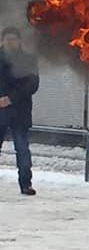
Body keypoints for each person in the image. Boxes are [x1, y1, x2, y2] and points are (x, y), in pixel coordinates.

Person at [0, 27, 40, 196]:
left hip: (19, 112)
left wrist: (10, 99)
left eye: (14, 39)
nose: (11, 42)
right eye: (7, 39)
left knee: (22, 148)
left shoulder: (28, 60)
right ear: (2, 41)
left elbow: (32, 84)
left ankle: (26, 184)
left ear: (19, 41)